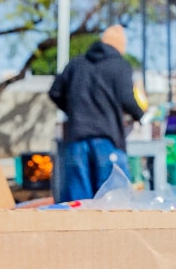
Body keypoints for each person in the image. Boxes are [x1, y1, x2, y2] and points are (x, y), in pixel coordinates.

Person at [48, 24, 144, 201]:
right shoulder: (120, 65)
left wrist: (73, 110)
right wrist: (140, 115)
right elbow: (126, 99)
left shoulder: (76, 63)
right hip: (107, 139)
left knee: (79, 202)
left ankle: (81, 230)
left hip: (76, 139)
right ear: (120, 46)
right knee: (114, 200)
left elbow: (55, 92)